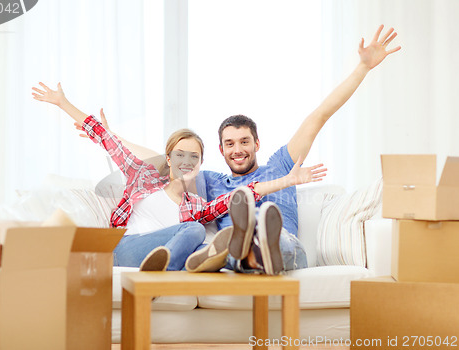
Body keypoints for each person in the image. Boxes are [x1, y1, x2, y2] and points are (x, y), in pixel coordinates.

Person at [88, 25, 401, 275]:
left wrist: (363, 68)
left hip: (284, 246)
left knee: (272, 232)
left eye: (244, 142)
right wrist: (111, 136)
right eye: (229, 144)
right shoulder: (211, 183)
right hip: (233, 250)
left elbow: (319, 115)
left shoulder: (281, 166)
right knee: (219, 247)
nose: (237, 150)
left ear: (257, 144)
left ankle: (257, 242)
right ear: (222, 152)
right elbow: (164, 159)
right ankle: (244, 250)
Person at [31, 83, 327, 272]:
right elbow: (106, 139)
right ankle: (187, 263)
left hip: (167, 249)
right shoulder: (142, 175)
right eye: (180, 155)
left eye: (194, 157)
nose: (186, 162)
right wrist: (62, 103)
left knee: (196, 231)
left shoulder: (195, 204)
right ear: (168, 158)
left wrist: (287, 180)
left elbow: (246, 191)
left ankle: (208, 260)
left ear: (200, 164)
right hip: (127, 245)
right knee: (194, 232)